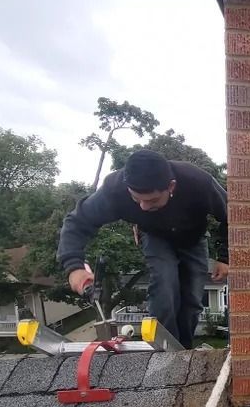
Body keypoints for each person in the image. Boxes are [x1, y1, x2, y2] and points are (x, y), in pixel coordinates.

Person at [57, 149, 228, 349]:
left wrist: (225, 257)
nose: (143, 207)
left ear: (170, 186)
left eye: (152, 200)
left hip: (193, 238)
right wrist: (74, 266)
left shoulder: (198, 182)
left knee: (191, 299)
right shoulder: (115, 189)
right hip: (155, 236)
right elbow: (78, 221)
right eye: (136, 199)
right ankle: (165, 350)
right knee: (165, 284)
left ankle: (184, 350)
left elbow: (233, 213)